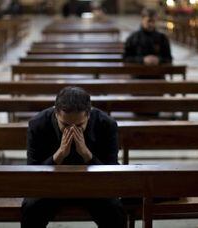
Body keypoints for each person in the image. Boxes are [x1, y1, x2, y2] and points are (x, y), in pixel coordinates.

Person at [21, 87, 127, 228]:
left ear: (88, 115)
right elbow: (33, 172)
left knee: (115, 209)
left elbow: (111, 173)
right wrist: (58, 156)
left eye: (79, 125)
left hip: (92, 186)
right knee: (30, 208)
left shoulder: (106, 124)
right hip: (52, 185)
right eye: (65, 125)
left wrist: (87, 155)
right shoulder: (38, 124)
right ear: (56, 113)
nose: (71, 130)